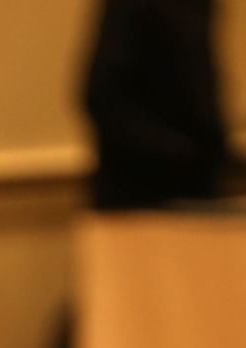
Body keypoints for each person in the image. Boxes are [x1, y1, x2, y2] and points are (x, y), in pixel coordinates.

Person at [81, 0, 227, 209]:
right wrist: (169, 146)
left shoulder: (199, 6)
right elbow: (102, 94)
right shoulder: (133, 6)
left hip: (195, 179)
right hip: (139, 188)